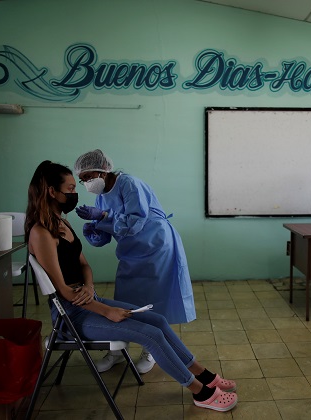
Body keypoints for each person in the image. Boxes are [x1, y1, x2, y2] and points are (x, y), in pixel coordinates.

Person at [25, 161, 237, 412]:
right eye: (71, 187)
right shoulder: (41, 232)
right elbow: (63, 291)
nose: (76, 192)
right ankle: (200, 392)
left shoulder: (62, 223)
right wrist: (105, 310)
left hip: (87, 301)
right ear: (52, 191)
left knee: (156, 320)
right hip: (70, 315)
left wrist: (90, 287)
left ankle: (203, 374)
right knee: (152, 335)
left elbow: (85, 266)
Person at [73, 149, 196, 374]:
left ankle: (152, 351)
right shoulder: (101, 196)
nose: (87, 183)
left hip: (156, 246)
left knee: (155, 299)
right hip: (131, 251)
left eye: (89, 177)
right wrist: (94, 230)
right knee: (124, 300)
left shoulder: (129, 184)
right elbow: (109, 233)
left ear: (103, 170)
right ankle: (117, 350)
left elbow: (134, 222)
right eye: (83, 181)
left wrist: (102, 217)